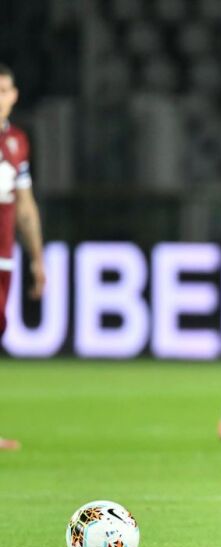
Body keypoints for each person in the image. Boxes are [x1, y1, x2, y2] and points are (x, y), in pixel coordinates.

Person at [0, 63, 45, 453]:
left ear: (14, 96)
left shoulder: (16, 142)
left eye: (4, 91)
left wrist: (37, 258)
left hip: (5, 258)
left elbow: (26, 206)